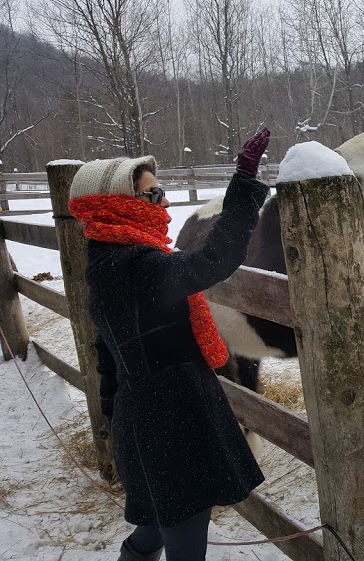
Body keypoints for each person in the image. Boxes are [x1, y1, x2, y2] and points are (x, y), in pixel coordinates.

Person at [68, 129, 272, 561]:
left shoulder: (104, 263)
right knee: (184, 535)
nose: (164, 202)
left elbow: (105, 351)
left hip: (142, 417)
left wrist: (115, 413)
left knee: (153, 529)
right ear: (119, 204)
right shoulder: (138, 265)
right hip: (173, 420)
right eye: (151, 194)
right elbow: (213, 261)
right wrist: (244, 184)